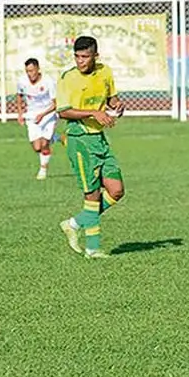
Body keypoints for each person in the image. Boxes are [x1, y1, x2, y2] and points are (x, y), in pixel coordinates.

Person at [55, 36, 125, 259]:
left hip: (99, 139)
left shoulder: (105, 72)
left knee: (116, 190)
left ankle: (74, 223)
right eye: (77, 56)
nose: (80, 61)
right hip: (79, 140)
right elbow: (63, 111)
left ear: (96, 56)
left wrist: (117, 106)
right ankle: (93, 249)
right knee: (92, 195)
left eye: (85, 57)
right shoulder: (67, 78)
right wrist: (94, 112)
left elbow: (112, 99)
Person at [16, 58, 57, 180]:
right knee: (37, 147)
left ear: (38, 69)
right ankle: (55, 138)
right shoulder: (22, 81)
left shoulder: (48, 81)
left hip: (48, 114)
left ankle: (43, 169)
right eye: (27, 71)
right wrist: (20, 114)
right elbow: (19, 96)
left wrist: (43, 115)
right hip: (31, 115)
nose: (30, 74)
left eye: (32, 71)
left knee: (44, 144)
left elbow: (55, 104)